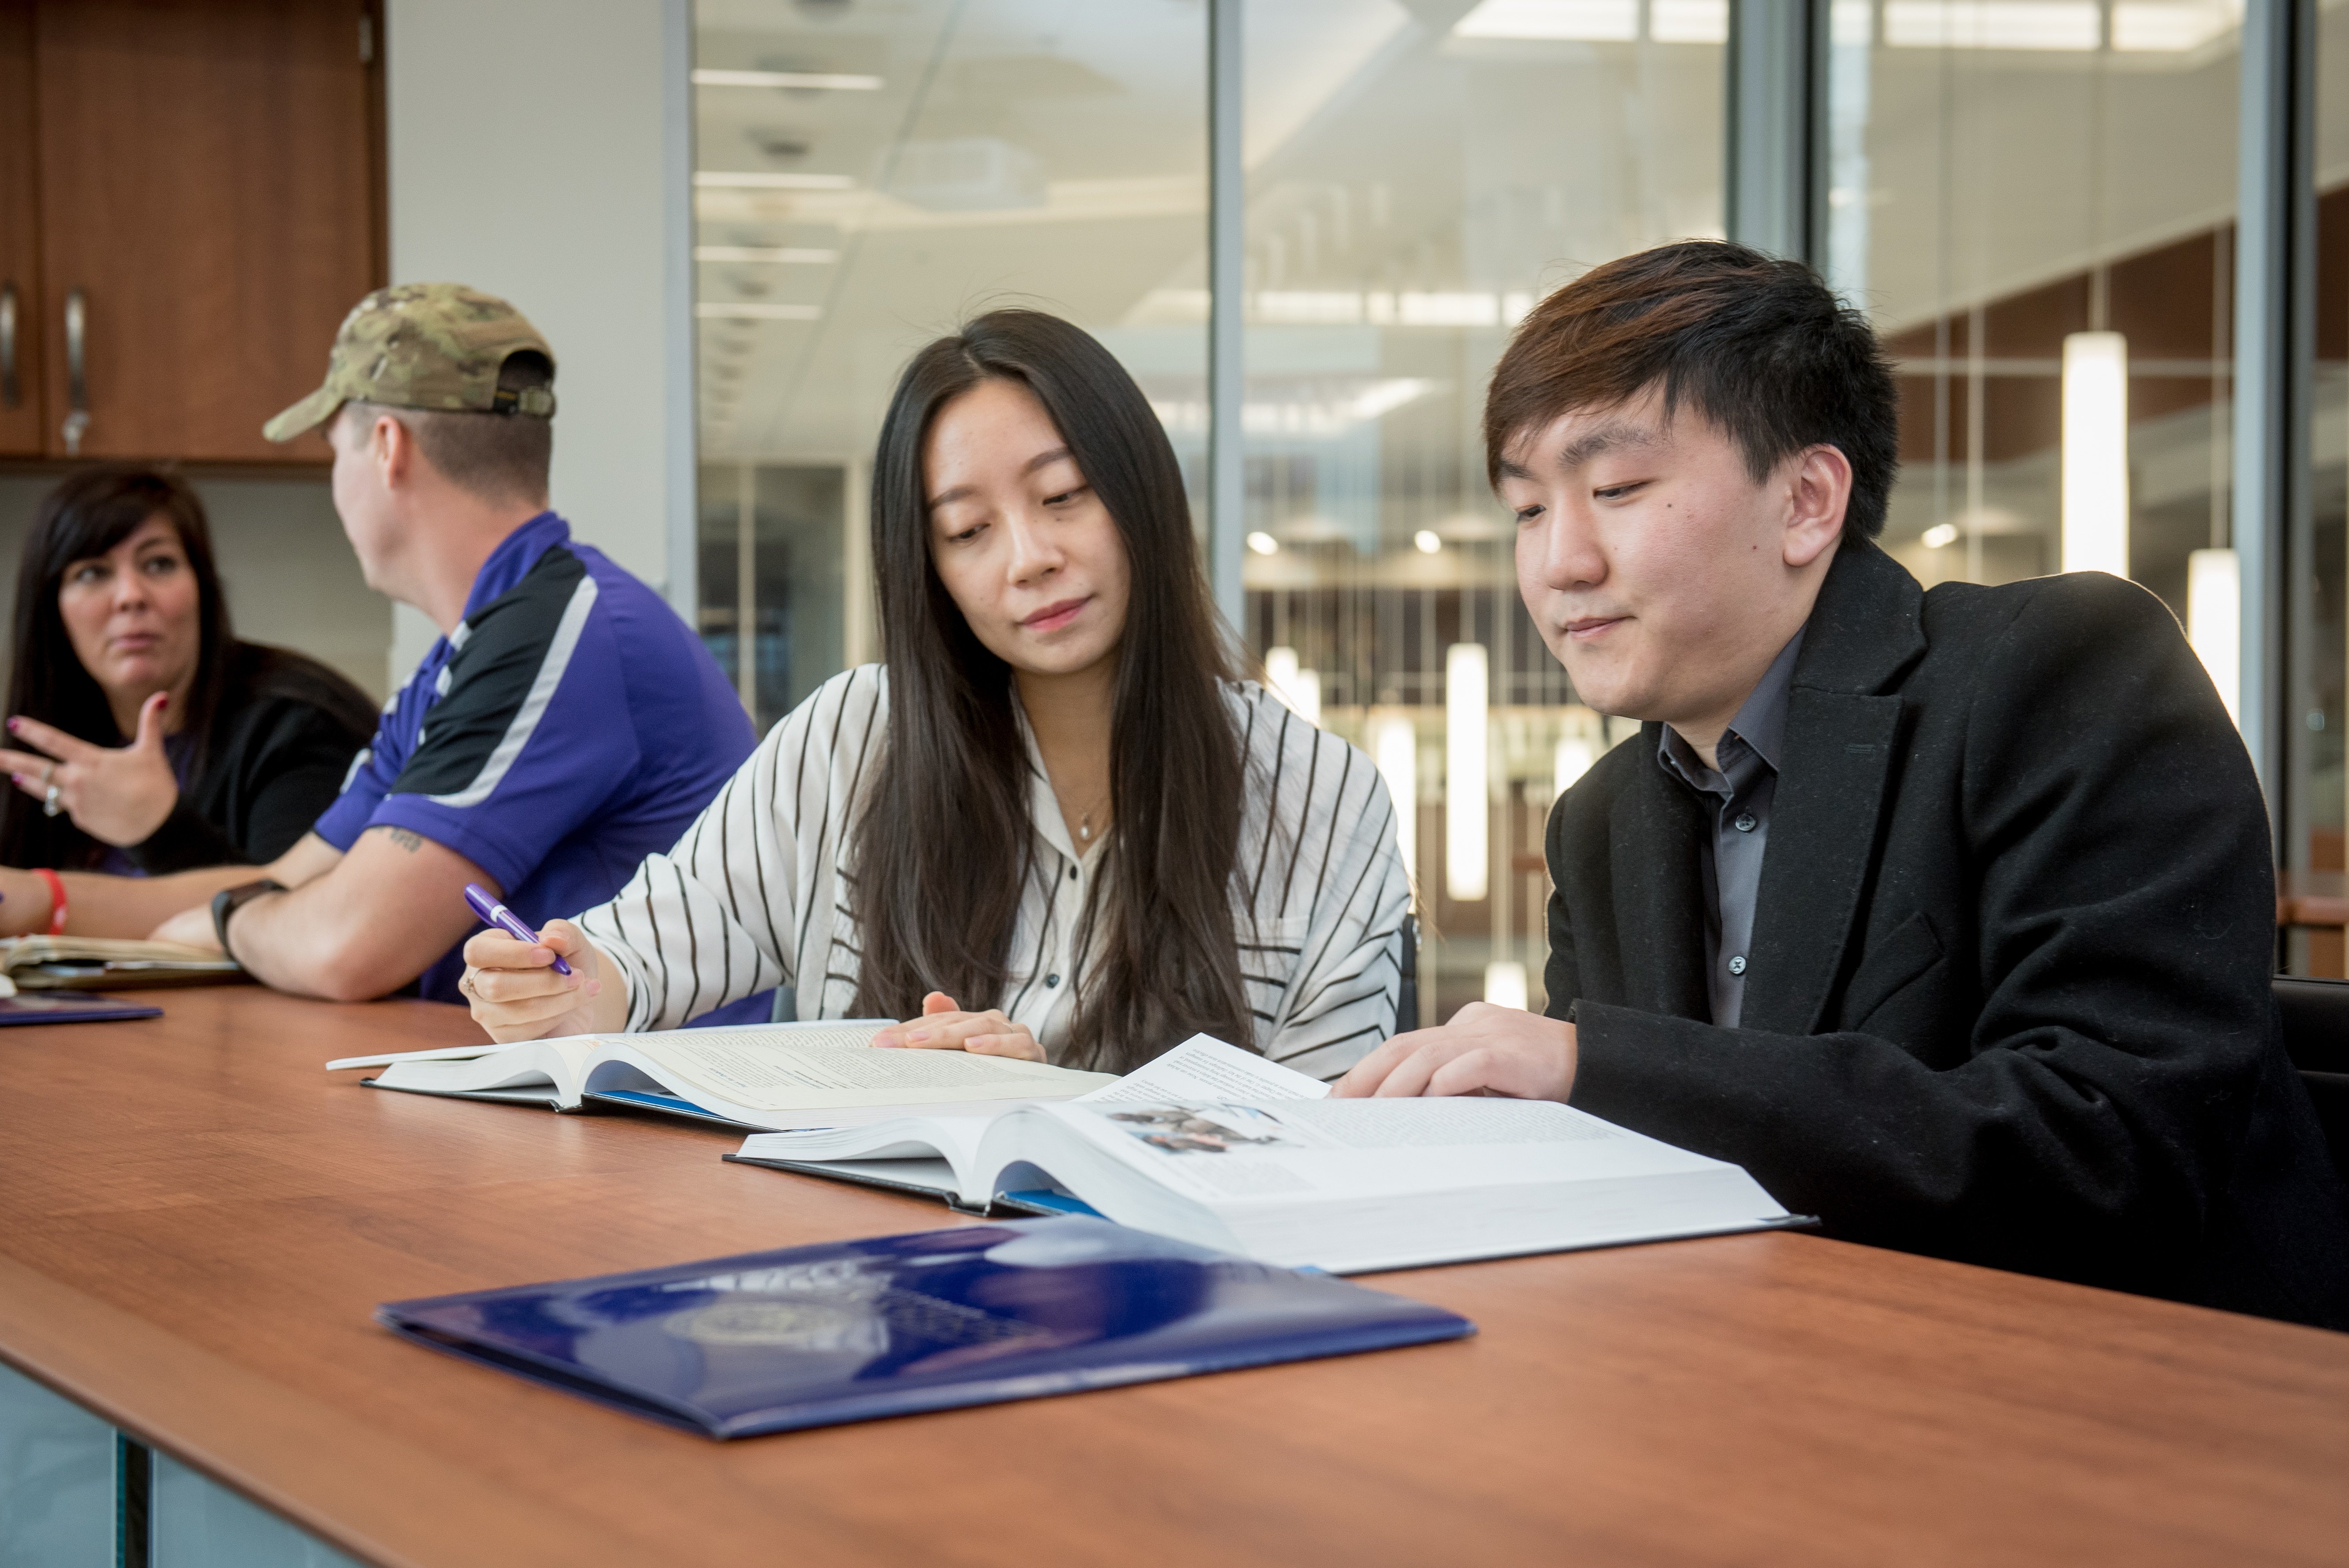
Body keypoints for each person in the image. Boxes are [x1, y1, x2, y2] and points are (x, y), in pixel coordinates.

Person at [1337, 240, 2349, 1328]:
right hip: (1763, 1377)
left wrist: (1596, 1064)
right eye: (1528, 510)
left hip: (2142, 1399)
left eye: (1617, 488)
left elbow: (2105, 1154)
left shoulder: (2055, 672)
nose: (1557, 564)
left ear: (1809, 499)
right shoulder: (1603, 818)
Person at [458, 309, 1410, 1079]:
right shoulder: (850, 739)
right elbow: (646, 950)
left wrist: (1057, 1105)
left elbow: (1327, 1145)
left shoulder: (1323, 799)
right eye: (967, 530)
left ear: (1142, 495)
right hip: (874, 1276)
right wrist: (569, 989)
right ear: (929, 571)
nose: (1031, 557)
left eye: (1065, 494)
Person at [4, 284, 758, 1008]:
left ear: (388, 447)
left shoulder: (567, 631)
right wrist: (231, 912)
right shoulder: (467, 657)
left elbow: (343, 942)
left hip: (632, 1115)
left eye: (337, 451)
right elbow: (286, 880)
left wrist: (233, 922)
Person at [0, 467, 377, 888]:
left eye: (159, 564)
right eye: (92, 572)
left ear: (203, 587)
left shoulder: (298, 723)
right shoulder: (44, 737)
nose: (130, 596)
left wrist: (159, 831)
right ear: (50, 608)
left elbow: (299, 920)